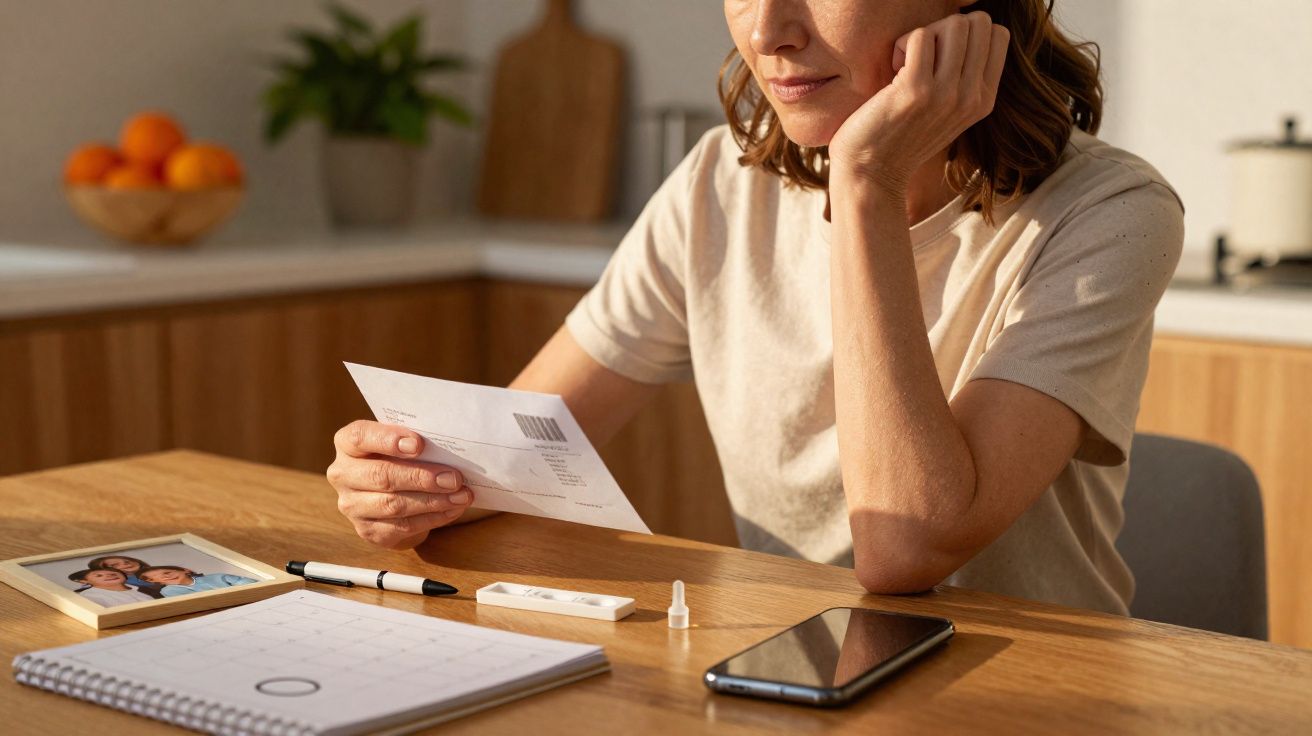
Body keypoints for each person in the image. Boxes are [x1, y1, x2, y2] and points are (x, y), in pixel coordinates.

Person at [326, 0, 1183, 615]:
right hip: (797, 666)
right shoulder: (717, 182)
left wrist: (867, 185)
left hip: (1031, 693)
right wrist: (415, 481)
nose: (769, 29)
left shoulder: (1110, 213)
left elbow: (905, 549)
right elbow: (514, 451)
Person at [136, 566, 257, 597]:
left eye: (167, 572)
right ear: (156, 582)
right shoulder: (169, 591)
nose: (166, 577)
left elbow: (250, 583)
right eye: (158, 578)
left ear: (185, 570)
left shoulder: (217, 577)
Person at [87, 555, 165, 599]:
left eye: (127, 561)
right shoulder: (118, 582)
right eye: (115, 565)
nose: (125, 564)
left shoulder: (157, 573)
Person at [68, 569, 155, 607]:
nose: (110, 576)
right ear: (83, 581)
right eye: (99, 575)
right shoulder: (89, 595)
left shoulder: (144, 590)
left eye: (113, 573)